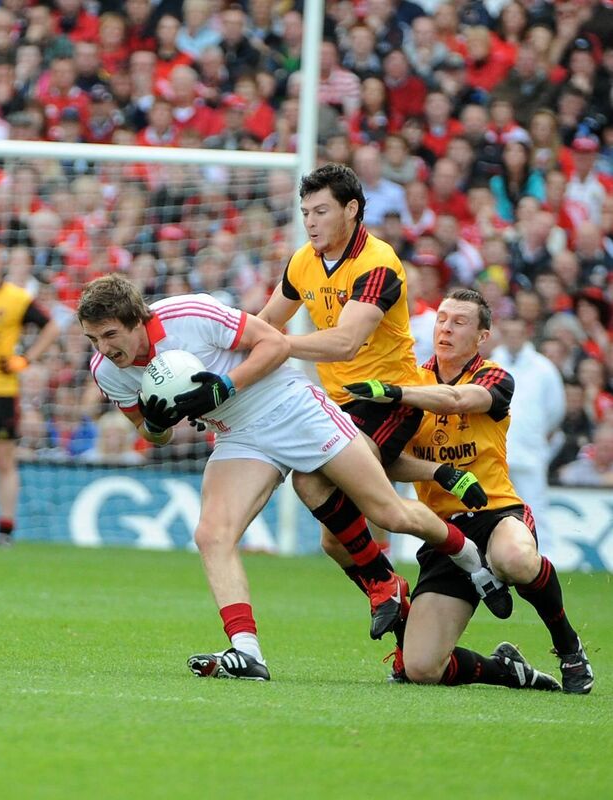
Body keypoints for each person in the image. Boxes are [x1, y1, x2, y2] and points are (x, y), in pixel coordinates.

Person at [78, 275, 503, 682]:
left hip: (290, 406)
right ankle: (247, 651)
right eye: (93, 339)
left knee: (388, 513)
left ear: (138, 319)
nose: (103, 348)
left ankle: (469, 558)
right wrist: (155, 420)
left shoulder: (189, 314)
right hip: (239, 436)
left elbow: (275, 344)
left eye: (110, 335)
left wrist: (222, 387)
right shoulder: (107, 370)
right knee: (212, 534)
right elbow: (154, 435)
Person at [258, 163, 506, 637]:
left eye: (321, 211)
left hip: (389, 399)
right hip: (337, 405)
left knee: (331, 490)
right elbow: (266, 322)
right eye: (305, 211)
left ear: (351, 210)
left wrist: (282, 346)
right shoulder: (301, 262)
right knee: (335, 542)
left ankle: (463, 559)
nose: (309, 221)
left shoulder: (378, 262)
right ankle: (395, 593)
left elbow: (346, 342)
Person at [345, 288, 594, 694]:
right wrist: (438, 471)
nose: (446, 328)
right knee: (422, 667)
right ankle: (508, 671)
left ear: (481, 336)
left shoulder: (493, 376)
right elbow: (383, 461)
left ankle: (568, 646)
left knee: (514, 558)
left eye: (459, 322)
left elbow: (459, 400)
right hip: (444, 533)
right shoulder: (412, 382)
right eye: (442, 319)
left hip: (497, 514)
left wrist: (395, 393)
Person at [0, 239, 60, 546]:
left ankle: (6, 529)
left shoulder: (17, 299)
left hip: (2, 391)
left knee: (5, 460)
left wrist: (25, 359)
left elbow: (51, 326)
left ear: (1, 264)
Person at [491, 316, 566, 559]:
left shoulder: (543, 368)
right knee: (493, 508)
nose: (513, 338)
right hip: (496, 449)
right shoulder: (491, 363)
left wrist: (535, 433)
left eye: (518, 333)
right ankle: (494, 556)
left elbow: (556, 409)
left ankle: (546, 557)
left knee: (535, 507)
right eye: (509, 333)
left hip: (530, 450)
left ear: (526, 334)